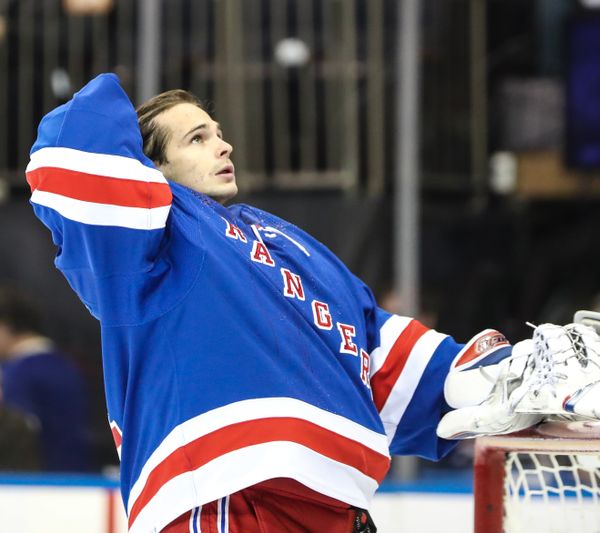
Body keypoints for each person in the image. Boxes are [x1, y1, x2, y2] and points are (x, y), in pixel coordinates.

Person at [27, 73, 526, 533]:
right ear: (147, 169)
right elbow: (72, 147)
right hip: (226, 490)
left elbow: (373, 349)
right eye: (196, 138)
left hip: (334, 503)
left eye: (218, 133)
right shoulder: (148, 240)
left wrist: (504, 375)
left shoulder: (285, 244)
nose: (223, 145)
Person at [0, 286, 91, 471]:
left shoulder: (19, 373)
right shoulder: (65, 364)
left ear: (6, 326)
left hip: (37, 483)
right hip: (76, 475)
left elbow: (18, 436)